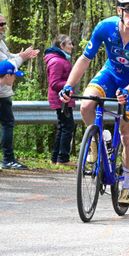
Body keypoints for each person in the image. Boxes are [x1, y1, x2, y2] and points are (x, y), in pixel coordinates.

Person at [59, 0, 129, 205]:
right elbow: (85, 59)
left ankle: (128, 183)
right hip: (110, 74)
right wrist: (68, 85)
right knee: (86, 104)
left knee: (127, 132)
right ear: (119, 10)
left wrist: (127, 91)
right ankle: (97, 142)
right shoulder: (105, 27)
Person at [0, 14, 39, 170]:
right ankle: (8, 159)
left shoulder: (1, 42)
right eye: (0, 24)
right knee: (7, 124)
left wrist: (22, 56)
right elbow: (5, 64)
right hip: (1, 91)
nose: (3, 26)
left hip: (4, 90)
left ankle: (8, 159)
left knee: (7, 123)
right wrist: (21, 57)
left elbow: (9, 57)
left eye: (4, 23)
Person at [44, 35, 76, 165]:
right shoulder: (57, 61)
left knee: (63, 127)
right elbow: (54, 83)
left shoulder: (60, 59)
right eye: (69, 43)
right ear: (61, 46)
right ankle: (63, 159)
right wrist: (69, 84)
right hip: (61, 99)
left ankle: (55, 159)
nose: (72, 46)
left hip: (64, 98)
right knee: (67, 127)